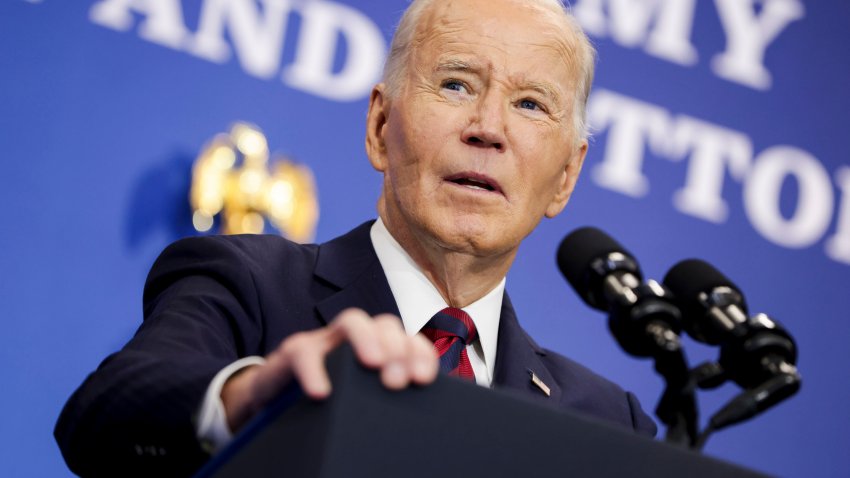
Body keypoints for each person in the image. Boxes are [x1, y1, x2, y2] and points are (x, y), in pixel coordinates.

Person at [56, 0, 656, 475]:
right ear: (379, 125)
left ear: (566, 177)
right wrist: (253, 395)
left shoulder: (606, 421)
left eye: (530, 103)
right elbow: (106, 412)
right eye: (456, 84)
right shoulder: (249, 283)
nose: (488, 129)